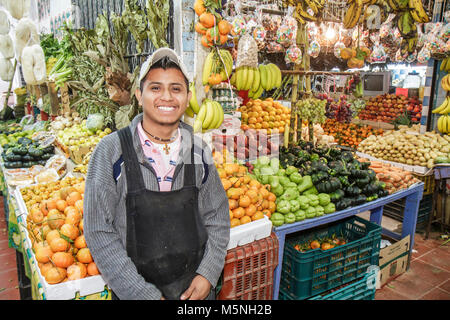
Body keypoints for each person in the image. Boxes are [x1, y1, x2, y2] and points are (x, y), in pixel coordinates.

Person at [83, 48, 230, 300]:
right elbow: (98, 229)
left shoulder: (199, 151)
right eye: (155, 88)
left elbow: (218, 217)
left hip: (195, 294)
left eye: (176, 88)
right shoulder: (111, 152)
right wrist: (142, 294)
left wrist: (207, 274)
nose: (166, 97)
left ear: (186, 97)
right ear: (139, 95)